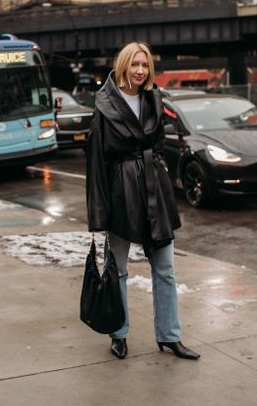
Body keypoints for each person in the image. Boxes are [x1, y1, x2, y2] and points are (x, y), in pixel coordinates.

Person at [86, 42, 200, 361]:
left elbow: (160, 143)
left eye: (145, 65)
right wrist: (98, 214)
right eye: (135, 64)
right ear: (124, 65)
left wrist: (160, 170)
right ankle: (119, 334)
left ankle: (170, 336)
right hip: (120, 191)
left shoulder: (153, 97)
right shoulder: (105, 104)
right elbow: (96, 162)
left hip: (154, 187)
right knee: (118, 269)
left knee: (165, 268)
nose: (140, 71)